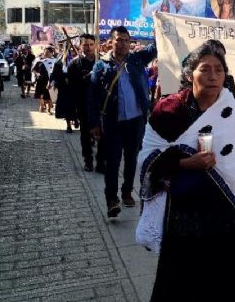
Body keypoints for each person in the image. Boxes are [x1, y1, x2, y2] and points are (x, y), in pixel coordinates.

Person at [138, 43, 235, 301]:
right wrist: (186, 163)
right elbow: (148, 160)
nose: (213, 76)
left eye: (219, 70)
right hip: (187, 216)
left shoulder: (232, 106)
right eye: (205, 69)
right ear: (189, 74)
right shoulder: (170, 110)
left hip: (229, 212)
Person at [89, 26, 157, 218]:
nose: (123, 43)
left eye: (126, 40)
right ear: (111, 41)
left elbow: (156, 48)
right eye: (119, 39)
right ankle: (111, 199)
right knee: (112, 162)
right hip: (112, 123)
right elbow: (92, 97)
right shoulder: (101, 66)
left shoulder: (137, 60)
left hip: (135, 122)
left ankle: (127, 191)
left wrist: (160, 26)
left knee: (131, 159)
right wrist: (94, 124)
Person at [68, 34, 105, 172]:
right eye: (85, 45)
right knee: (85, 134)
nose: (88, 47)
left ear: (95, 45)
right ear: (80, 46)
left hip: (101, 105)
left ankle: (101, 162)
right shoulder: (74, 64)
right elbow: (72, 88)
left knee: (103, 135)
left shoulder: (102, 61)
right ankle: (88, 160)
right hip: (84, 105)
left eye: (91, 44)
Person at [51, 51, 77, 133]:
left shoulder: (77, 61)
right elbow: (55, 73)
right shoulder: (59, 63)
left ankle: (76, 119)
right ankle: (68, 125)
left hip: (74, 89)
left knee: (76, 107)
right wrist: (61, 80)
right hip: (63, 90)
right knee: (66, 108)